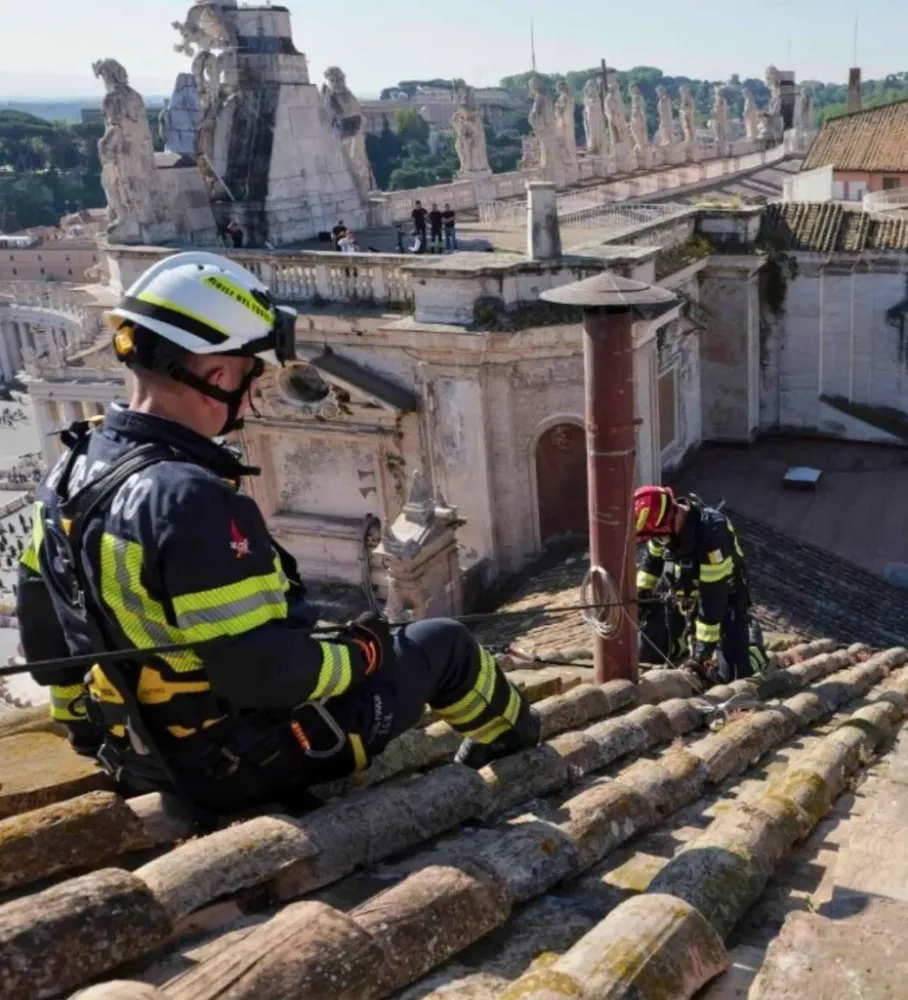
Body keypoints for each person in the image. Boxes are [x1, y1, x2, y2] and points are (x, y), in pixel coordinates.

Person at [16, 251, 540, 815]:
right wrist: (363, 651)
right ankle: (519, 757)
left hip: (137, 755)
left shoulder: (69, 471)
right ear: (218, 376)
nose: (251, 395)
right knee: (444, 645)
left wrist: (88, 735)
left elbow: (44, 633)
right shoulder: (189, 498)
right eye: (252, 375)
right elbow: (265, 672)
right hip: (246, 763)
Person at [633, 485, 767, 684]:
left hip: (724, 600)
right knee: (645, 651)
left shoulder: (712, 534)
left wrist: (702, 653)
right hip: (681, 597)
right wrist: (641, 594)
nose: (659, 541)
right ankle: (680, 644)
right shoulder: (661, 530)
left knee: (732, 675)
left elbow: (713, 598)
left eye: (659, 536)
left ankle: (754, 648)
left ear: (673, 516)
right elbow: (651, 562)